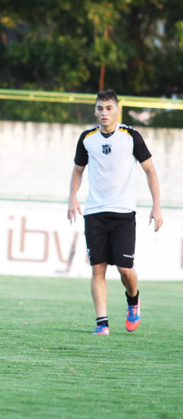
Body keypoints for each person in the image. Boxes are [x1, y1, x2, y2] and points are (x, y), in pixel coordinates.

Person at [67, 89, 162, 335]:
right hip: (95, 212)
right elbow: (78, 170)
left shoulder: (131, 136)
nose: (104, 113)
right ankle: (102, 324)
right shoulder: (87, 138)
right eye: (100, 108)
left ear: (117, 110)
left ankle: (133, 300)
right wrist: (72, 198)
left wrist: (156, 206)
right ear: (95, 110)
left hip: (123, 213)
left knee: (125, 269)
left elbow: (150, 171)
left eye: (109, 108)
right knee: (97, 268)